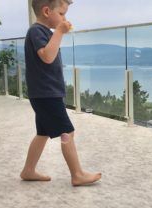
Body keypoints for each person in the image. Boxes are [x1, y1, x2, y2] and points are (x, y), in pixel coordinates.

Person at [20, 0, 101, 186]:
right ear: (47, 11)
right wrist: (59, 32)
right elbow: (47, 56)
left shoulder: (44, 32)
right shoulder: (36, 31)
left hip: (45, 93)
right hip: (46, 94)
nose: (65, 18)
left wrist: (56, 32)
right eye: (62, 14)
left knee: (42, 133)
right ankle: (77, 174)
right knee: (67, 132)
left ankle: (28, 170)